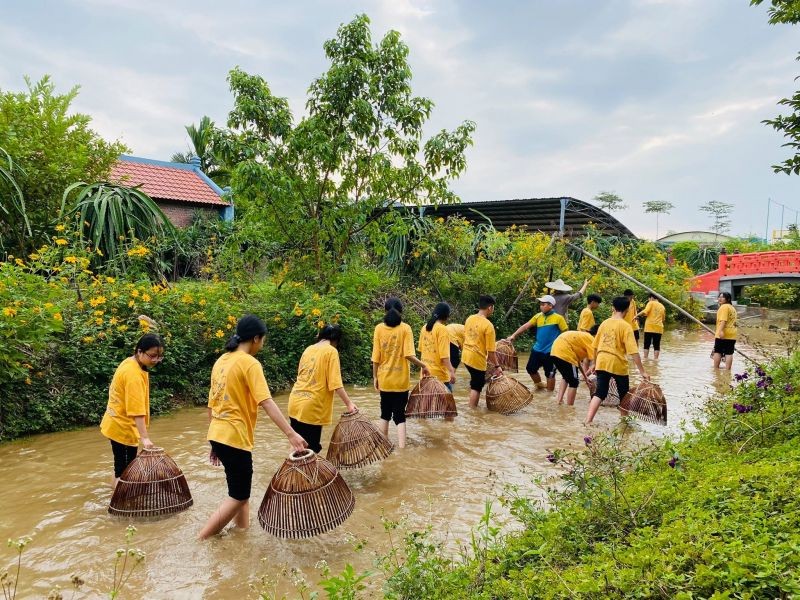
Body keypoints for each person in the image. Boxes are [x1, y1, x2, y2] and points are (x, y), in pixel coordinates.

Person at [199, 315, 307, 540]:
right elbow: (266, 402)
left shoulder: (222, 361)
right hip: (233, 436)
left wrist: (213, 442)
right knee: (238, 496)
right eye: (263, 340)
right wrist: (291, 434)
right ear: (256, 338)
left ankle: (242, 535)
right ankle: (202, 538)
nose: (262, 344)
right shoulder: (249, 363)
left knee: (241, 493)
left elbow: (212, 404)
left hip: (219, 434)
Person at [100, 333, 164, 486]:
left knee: (120, 467)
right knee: (125, 471)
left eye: (159, 356)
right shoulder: (133, 374)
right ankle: (119, 501)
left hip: (117, 422)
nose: (155, 360)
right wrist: (145, 438)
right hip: (121, 427)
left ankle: (115, 495)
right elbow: (137, 411)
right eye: (152, 356)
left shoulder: (131, 362)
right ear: (140, 351)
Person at [287, 324, 357, 453]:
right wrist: (349, 404)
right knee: (311, 449)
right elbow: (335, 383)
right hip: (312, 406)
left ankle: (290, 472)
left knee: (297, 446)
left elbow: (300, 375)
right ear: (336, 340)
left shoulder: (308, 349)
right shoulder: (331, 351)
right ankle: (307, 473)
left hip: (295, 402)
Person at [372, 298, 430, 448]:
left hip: (384, 378)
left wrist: (375, 376)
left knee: (384, 413)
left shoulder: (379, 328)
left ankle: (382, 446)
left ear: (385, 311)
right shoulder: (405, 328)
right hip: (400, 381)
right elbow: (409, 355)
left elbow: (376, 358)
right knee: (399, 415)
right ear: (401, 311)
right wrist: (424, 365)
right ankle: (402, 449)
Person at [584, 296, 649, 425]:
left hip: (602, 361)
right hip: (618, 364)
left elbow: (595, 346)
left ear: (613, 308)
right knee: (624, 396)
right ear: (628, 309)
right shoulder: (626, 326)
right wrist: (642, 371)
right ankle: (624, 423)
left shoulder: (604, 323)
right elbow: (633, 351)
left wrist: (595, 363)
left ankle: (588, 420)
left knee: (600, 393)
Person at [506, 294, 568, 391]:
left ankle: (549, 395)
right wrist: (514, 335)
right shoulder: (538, 316)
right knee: (530, 369)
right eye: (541, 304)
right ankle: (539, 386)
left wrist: (563, 349)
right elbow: (525, 326)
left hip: (551, 351)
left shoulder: (559, 318)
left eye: (544, 304)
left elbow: (566, 334)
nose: (541, 306)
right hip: (537, 349)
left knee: (550, 374)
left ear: (550, 306)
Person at [462, 295, 502, 408]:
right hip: (476, 359)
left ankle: (471, 405)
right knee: (477, 386)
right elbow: (491, 352)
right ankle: (472, 410)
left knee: (475, 381)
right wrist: (497, 366)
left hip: (465, 357)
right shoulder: (488, 325)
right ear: (490, 308)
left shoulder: (469, 318)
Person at [551, 326, 597, 406]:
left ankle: (559, 401)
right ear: (597, 334)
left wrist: (585, 377)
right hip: (565, 353)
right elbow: (594, 363)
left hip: (554, 351)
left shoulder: (582, 336)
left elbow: (577, 363)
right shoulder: (591, 339)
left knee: (566, 377)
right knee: (574, 382)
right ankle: (570, 407)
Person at [418, 302, 456, 391]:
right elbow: (444, 357)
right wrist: (451, 372)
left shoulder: (424, 327)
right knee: (447, 404)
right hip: (439, 377)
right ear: (446, 316)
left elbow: (421, 350)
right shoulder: (443, 330)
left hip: (425, 375)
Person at [637, 292, 666, 359]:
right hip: (659, 328)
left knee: (646, 344)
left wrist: (637, 315)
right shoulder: (662, 306)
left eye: (649, 299)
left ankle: (645, 358)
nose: (649, 300)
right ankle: (656, 360)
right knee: (657, 345)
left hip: (649, 327)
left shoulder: (651, 303)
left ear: (652, 298)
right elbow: (663, 319)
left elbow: (645, 311)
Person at [712, 291, 737, 370]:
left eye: (722, 297)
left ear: (728, 299)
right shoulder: (732, 308)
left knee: (718, 351)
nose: (720, 298)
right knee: (729, 352)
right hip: (732, 334)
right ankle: (728, 370)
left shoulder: (724, 307)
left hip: (723, 333)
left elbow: (723, 320)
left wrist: (721, 331)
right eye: (719, 297)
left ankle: (716, 369)